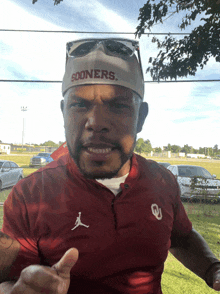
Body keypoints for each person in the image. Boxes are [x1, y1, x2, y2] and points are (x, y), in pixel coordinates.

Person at [0, 38, 220, 294]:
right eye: (79, 104)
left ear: (141, 118)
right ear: (63, 113)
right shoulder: (29, 195)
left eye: (118, 106)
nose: (96, 122)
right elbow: (10, 280)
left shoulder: (162, 181)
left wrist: (213, 269)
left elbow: (181, 237)